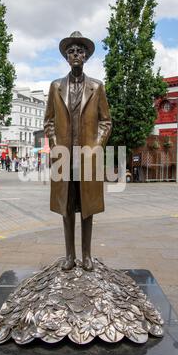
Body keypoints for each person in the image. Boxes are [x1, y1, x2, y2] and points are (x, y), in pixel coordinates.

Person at [44, 31, 112, 271]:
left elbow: (106, 121)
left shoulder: (97, 87)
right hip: (64, 157)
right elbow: (49, 121)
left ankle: (87, 255)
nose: (75, 54)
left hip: (87, 157)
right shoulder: (55, 87)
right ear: (66, 56)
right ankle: (70, 256)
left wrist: (96, 147)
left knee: (87, 207)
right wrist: (54, 145)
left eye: (80, 51)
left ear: (86, 56)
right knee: (67, 207)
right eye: (71, 51)